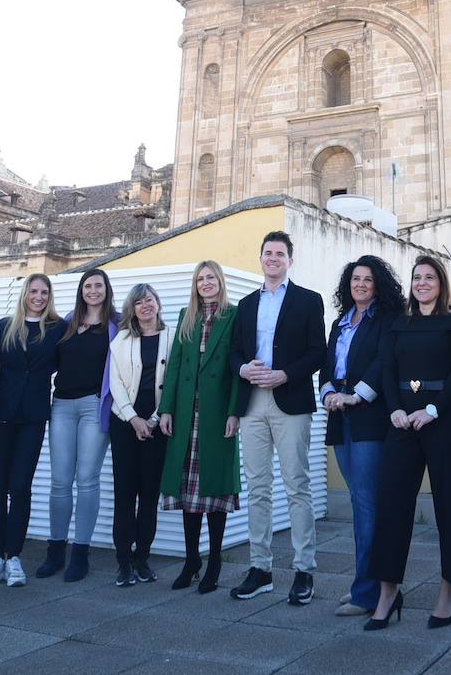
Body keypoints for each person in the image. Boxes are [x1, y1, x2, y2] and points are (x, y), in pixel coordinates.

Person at [365, 254, 451, 631]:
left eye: (430, 277)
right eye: (417, 278)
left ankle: (449, 588)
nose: (422, 283)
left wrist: (431, 409)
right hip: (401, 423)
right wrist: (394, 410)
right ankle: (388, 591)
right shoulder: (398, 323)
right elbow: (388, 368)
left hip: (442, 421)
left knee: (448, 506)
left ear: (441, 284)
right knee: (392, 507)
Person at [229, 231, 327, 604]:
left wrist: (284, 373)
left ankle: (304, 570)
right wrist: (244, 370)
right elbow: (236, 352)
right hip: (253, 402)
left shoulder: (308, 300)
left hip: (291, 401)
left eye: (280, 254)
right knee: (257, 487)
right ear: (261, 258)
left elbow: (318, 353)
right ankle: (261, 568)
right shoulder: (246, 303)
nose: (273, 258)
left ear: (290, 260)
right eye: (268, 253)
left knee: (297, 485)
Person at [319, 256, 400, 617]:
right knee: (358, 504)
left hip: (369, 418)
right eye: (356, 279)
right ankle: (365, 584)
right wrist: (328, 394)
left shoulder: (385, 320)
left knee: (368, 505)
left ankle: (370, 594)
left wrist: (356, 394)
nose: (362, 284)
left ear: (378, 284)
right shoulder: (339, 322)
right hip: (340, 419)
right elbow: (327, 366)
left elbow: (383, 362)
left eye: (368, 279)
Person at [159, 260, 242, 594]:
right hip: (184, 412)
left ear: (220, 282)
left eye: (211, 278)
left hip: (217, 413)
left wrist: (235, 411)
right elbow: (175, 367)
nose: (205, 283)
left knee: (215, 491)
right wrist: (166, 410)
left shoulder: (234, 316)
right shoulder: (185, 316)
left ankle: (215, 561)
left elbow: (238, 367)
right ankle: (191, 558)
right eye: (200, 279)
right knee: (187, 493)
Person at [0, 273, 64, 587]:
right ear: (25, 294)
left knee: (21, 488)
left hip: (33, 416)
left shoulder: (57, 329)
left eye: (44, 292)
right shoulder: (2, 327)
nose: (39, 297)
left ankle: (13, 556)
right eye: (34, 291)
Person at [38, 267, 119, 582]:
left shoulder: (117, 324)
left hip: (93, 407)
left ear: (106, 289)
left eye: (99, 285)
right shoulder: (66, 323)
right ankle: (55, 550)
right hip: (61, 406)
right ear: (81, 290)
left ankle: (80, 554)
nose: (93, 291)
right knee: (59, 480)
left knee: (87, 479)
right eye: (88, 286)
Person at [108, 283, 169, 587]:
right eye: (139, 302)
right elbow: (116, 384)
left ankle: (142, 558)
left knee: (149, 495)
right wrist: (134, 419)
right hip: (125, 424)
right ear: (131, 309)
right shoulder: (120, 340)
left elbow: (173, 381)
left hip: (157, 426)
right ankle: (122, 561)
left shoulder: (173, 338)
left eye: (150, 300)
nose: (146, 305)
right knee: (124, 493)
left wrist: (154, 419)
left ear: (158, 304)